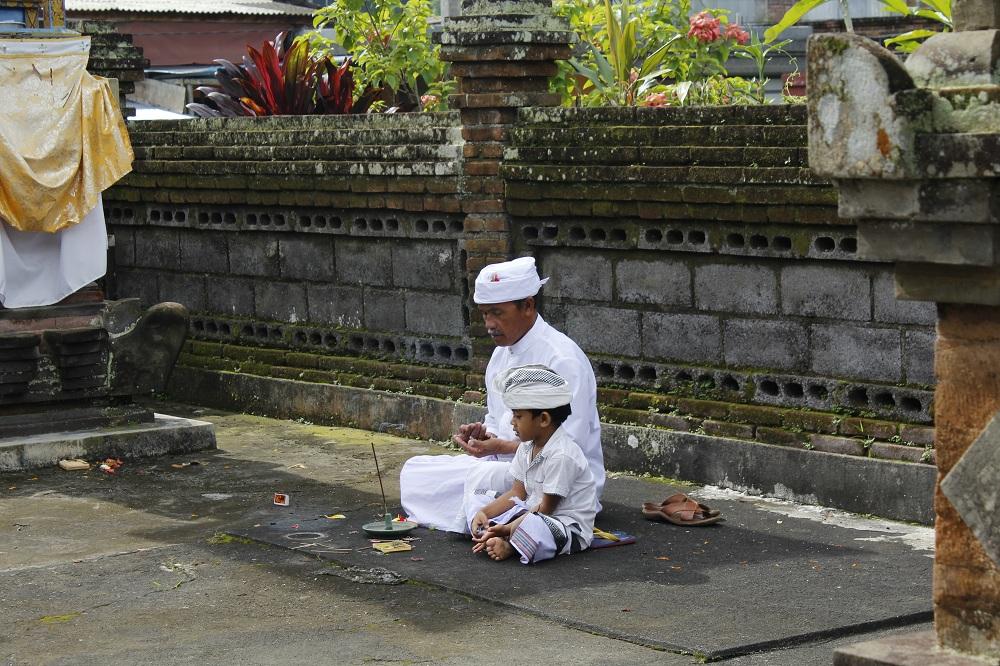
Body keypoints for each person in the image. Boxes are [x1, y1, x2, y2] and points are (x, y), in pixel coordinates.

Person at [399, 256, 604, 532]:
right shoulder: (499, 357)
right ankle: (493, 517)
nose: (489, 324)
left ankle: (501, 520)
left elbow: (569, 447)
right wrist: (486, 437)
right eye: (484, 314)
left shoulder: (563, 359)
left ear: (528, 306)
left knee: (477, 478)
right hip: (511, 466)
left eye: (497, 313)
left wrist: (501, 449)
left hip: (559, 476)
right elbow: (498, 421)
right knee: (416, 471)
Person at [471, 365, 597, 563]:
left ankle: (511, 545)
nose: (512, 422)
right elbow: (516, 493)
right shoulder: (526, 446)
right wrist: (484, 513)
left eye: (518, 416)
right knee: (478, 499)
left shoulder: (562, 455)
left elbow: (546, 508)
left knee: (537, 527)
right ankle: (497, 532)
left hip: (563, 525)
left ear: (544, 419)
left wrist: (508, 528)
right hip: (530, 511)